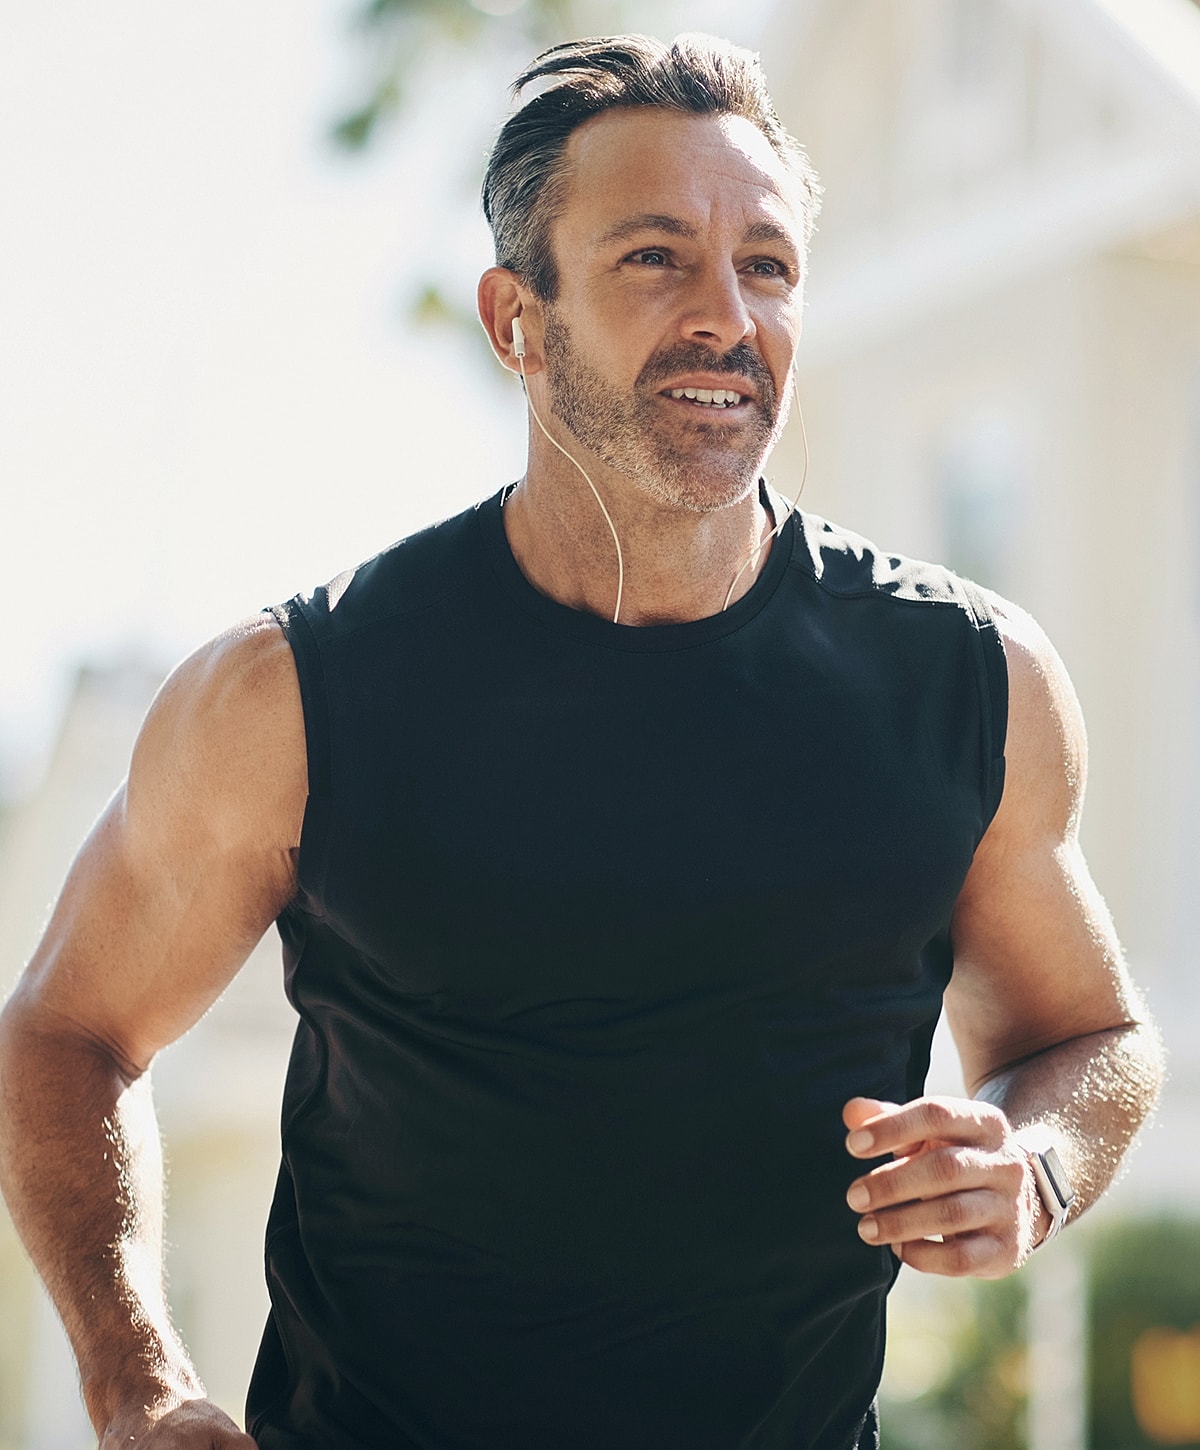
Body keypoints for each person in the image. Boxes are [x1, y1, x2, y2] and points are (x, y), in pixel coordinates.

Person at [0, 32, 1163, 1450]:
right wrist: (135, 1387)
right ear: (517, 321)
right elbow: (63, 1032)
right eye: (655, 258)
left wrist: (1036, 1163)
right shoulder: (294, 696)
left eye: (770, 265)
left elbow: (1090, 1034)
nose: (727, 316)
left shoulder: (967, 684)